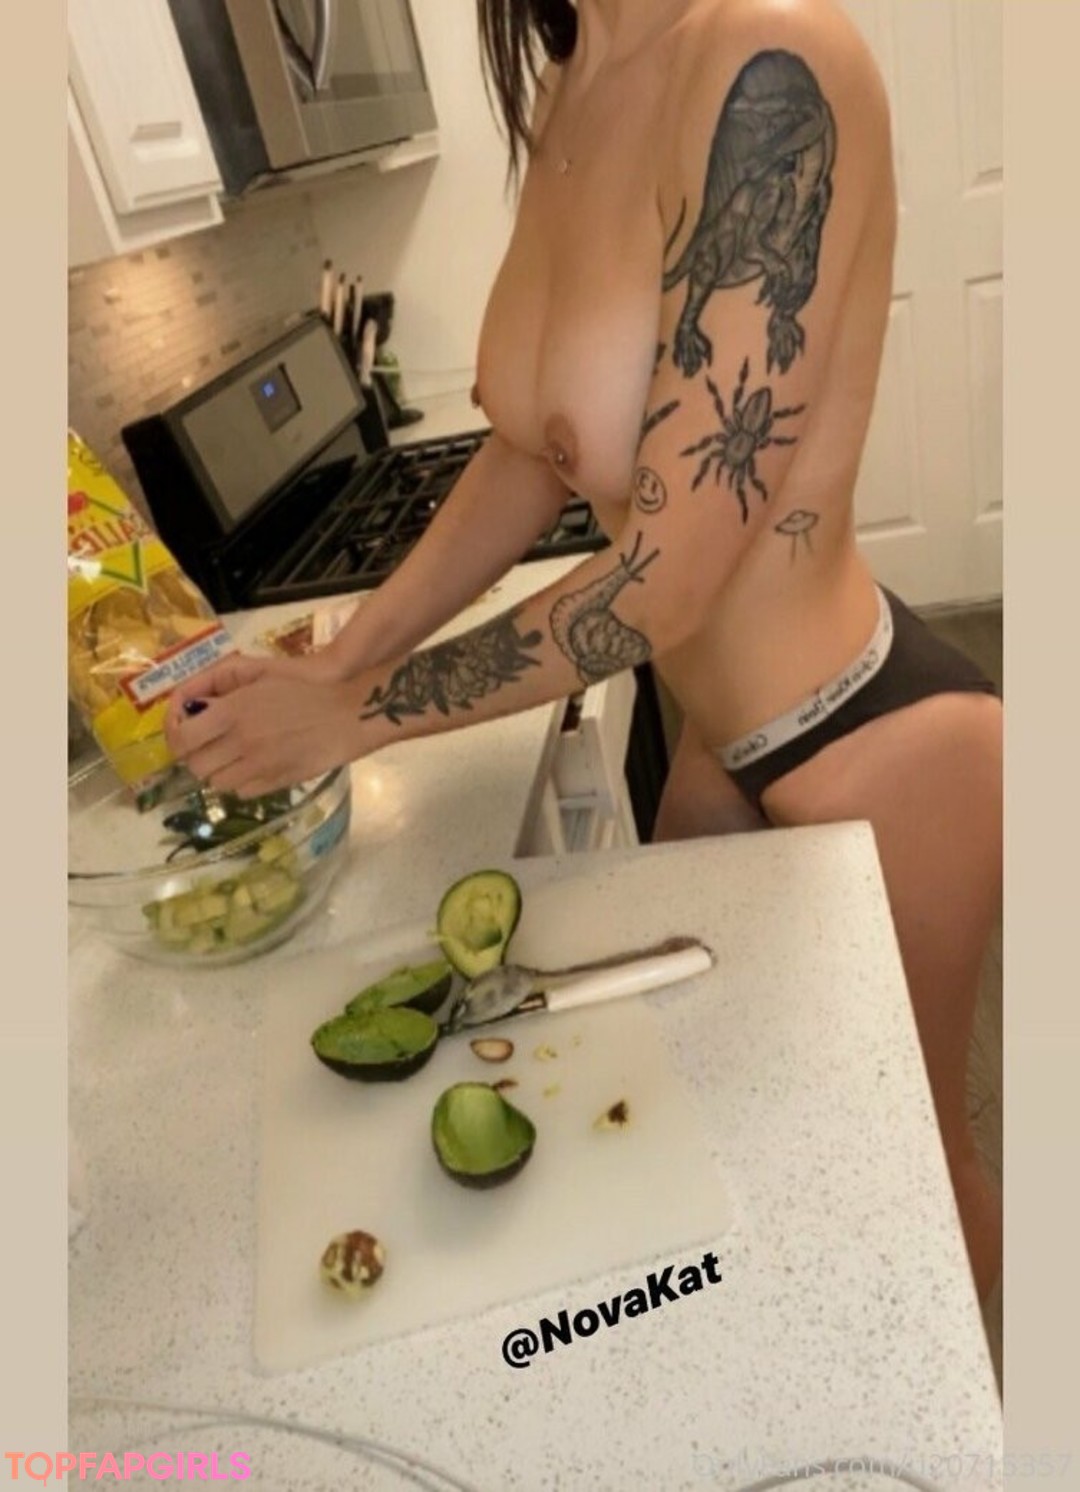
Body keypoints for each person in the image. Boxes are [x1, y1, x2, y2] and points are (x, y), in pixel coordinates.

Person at [166, 0, 1002, 1301]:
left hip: (873, 748)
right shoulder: (571, 78)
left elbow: (666, 576)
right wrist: (340, 660)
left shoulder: (770, 58)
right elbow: (533, 448)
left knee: (918, 1201)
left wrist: (358, 715)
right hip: (719, 738)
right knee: (731, 1146)